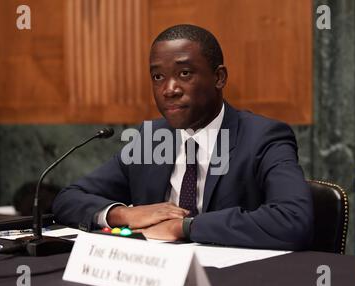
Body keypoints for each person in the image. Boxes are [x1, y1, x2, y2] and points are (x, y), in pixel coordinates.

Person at [52, 24, 313, 250]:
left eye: (184, 73)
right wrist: (126, 214)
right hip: (154, 278)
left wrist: (185, 227)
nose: (169, 89)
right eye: (158, 77)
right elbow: (68, 199)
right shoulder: (150, 138)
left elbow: (292, 219)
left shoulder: (263, 137)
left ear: (219, 77)